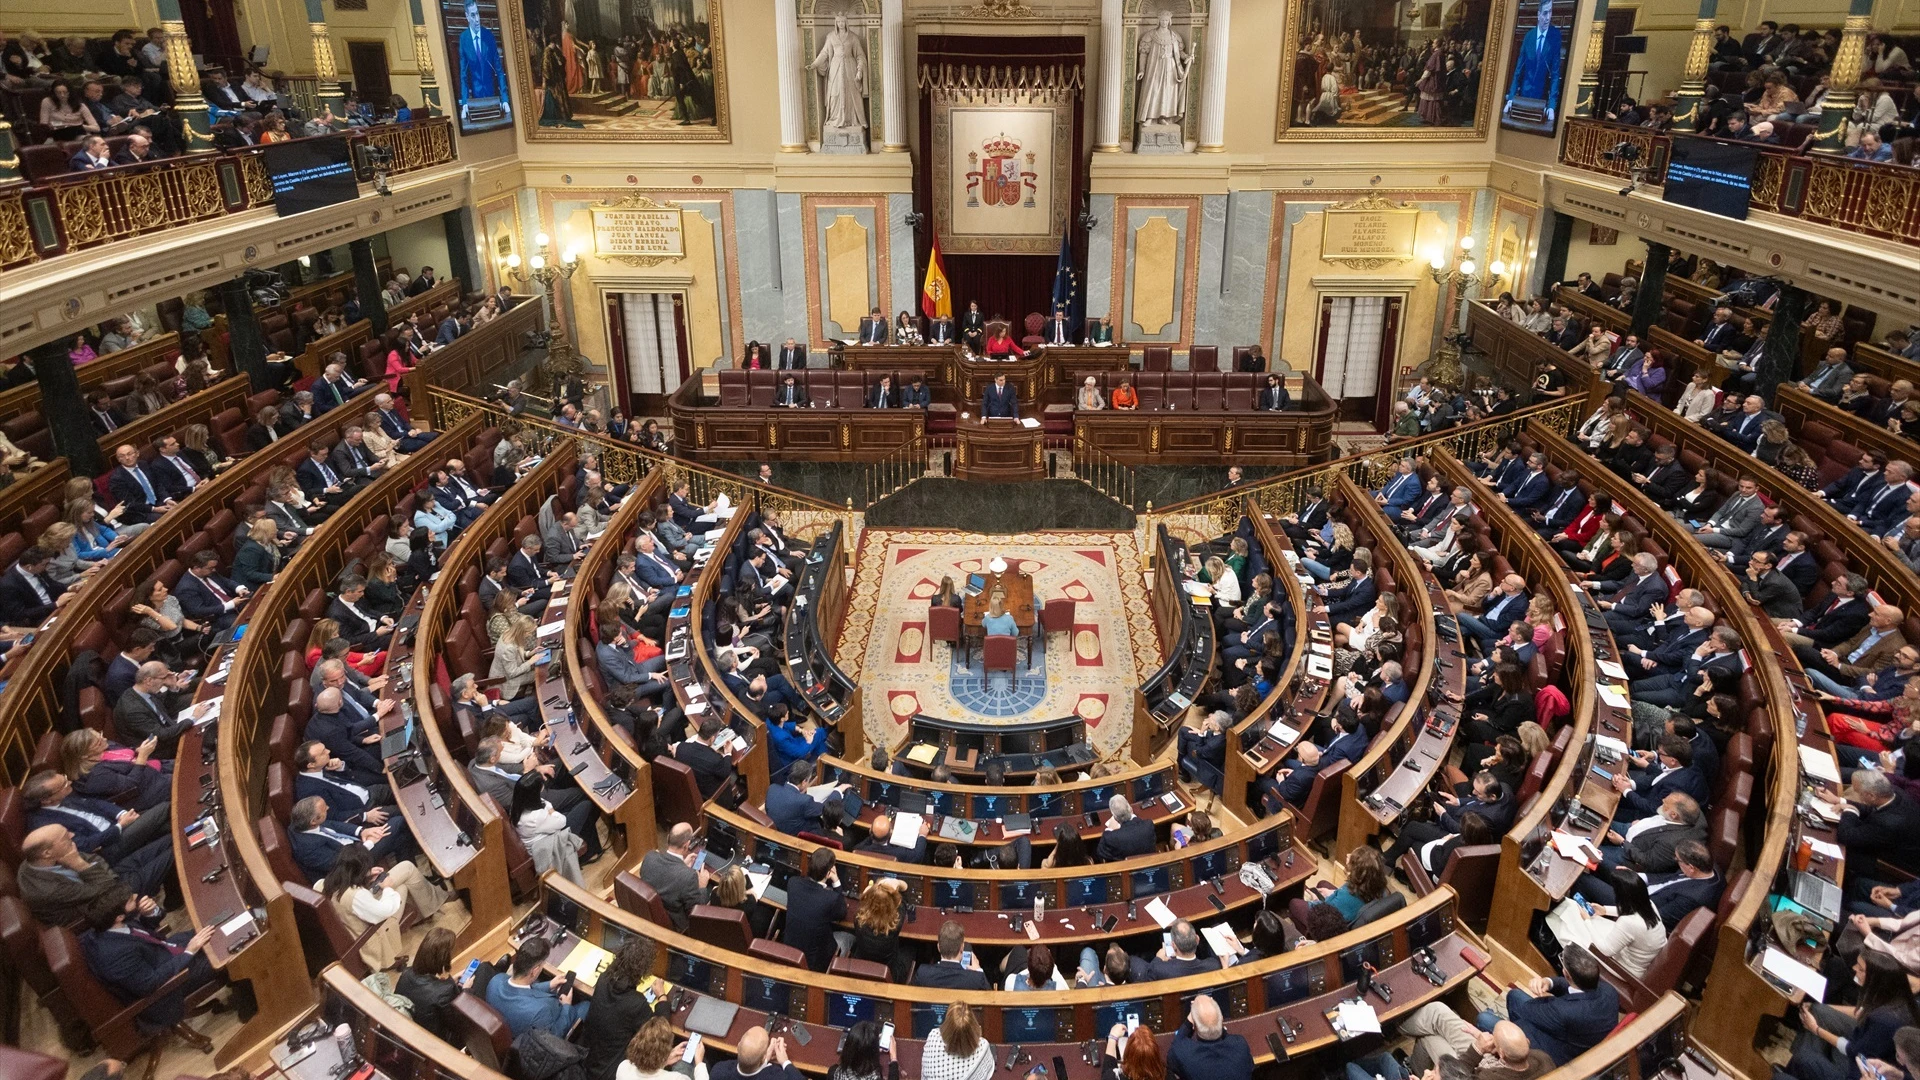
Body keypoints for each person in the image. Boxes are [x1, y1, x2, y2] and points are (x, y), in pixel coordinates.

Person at [1477, 944, 1618, 1066]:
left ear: (1566, 973)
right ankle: (1515, 1034)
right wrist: (1549, 982)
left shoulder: (1562, 1010)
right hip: (1577, 1039)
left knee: (1484, 1018)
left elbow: (1528, 1010)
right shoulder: (1609, 991)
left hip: (1558, 1057)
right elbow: (1576, 987)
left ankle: (1515, 1054)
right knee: (1514, 995)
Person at [581, 937, 661, 1080]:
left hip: (589, 1058)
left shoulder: (604, 978)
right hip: (611, 1071)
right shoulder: (637, 1003)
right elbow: (658, 1031)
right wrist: (662, 998)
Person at [486, 936, 589, 1038]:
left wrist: (549, 985)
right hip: (529, 1041)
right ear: (535, 971)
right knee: (586, 1006)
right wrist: (566, 1006)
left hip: (509, 1030)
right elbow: (555, 1036)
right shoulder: (542, 1010)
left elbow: (521, 989)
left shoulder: (496, 980)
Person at [397, 928, 470, 1044]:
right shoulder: (445, 990)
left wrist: (449, 981)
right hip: (436, 1040)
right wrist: (465, 991)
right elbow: (457, 1023)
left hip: (409, 1029)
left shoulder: (406, 973)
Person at [785, 847, 850, 971]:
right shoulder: (831, 898)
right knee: (848, 937)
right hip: (814, 961)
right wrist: (836, 881)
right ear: (828, 873)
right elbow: (842, 913)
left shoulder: (793, 883)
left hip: (789, 950)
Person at [639, 822, 711, 930]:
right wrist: (702, 886)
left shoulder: (650, 857)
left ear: (668, 838)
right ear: (686, 845)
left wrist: (682, 865)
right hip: (675, 924)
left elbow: (665, 874)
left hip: (650, 912)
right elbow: (697, 911)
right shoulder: (688, 877)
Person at [1167, 995, 1252, 1080]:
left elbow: (1176, 1047)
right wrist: (1215, 1020)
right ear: (1222, 1019)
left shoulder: (1184, 1055)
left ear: (1195, 1026)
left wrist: (1189, 1021)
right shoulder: (1240, 1045)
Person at [921, 1003, 993, 1080]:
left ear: (947, 1025)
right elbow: (988, 1074)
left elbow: (924, 1075)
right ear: (973, 1025)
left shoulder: (933, 1036)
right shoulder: (983, 1047)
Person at [913, 920, 992, 989]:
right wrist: (979, 970)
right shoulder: (975, 979)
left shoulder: (923, 973)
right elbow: (990, 999)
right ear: (962, 948)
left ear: (938, 947)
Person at [1097, 794, 1156, 861]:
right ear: (1130, 809)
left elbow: (1100, 853)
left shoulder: (1110, 837)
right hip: (1149, 864)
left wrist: (1109, 829)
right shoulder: (1148, 825)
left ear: (1115, 817)